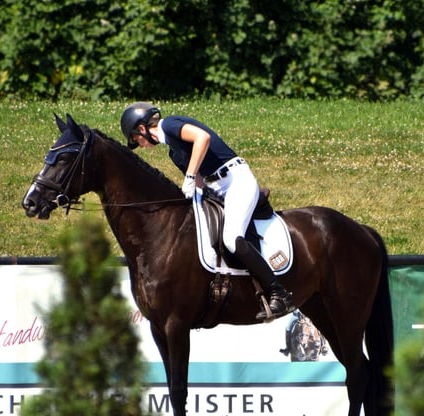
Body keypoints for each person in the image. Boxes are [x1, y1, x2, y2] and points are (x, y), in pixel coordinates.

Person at [120, 102, 294, 321]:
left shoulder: (169, 125)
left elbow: (202, 138)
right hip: (216, 188)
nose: (141, 145)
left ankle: (279, 292)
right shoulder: (175, 153)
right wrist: (194, 190)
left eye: (137, 140)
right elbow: (200, 181)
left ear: (142, 128)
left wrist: (190, 176)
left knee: (231, 238)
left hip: (236, 181)